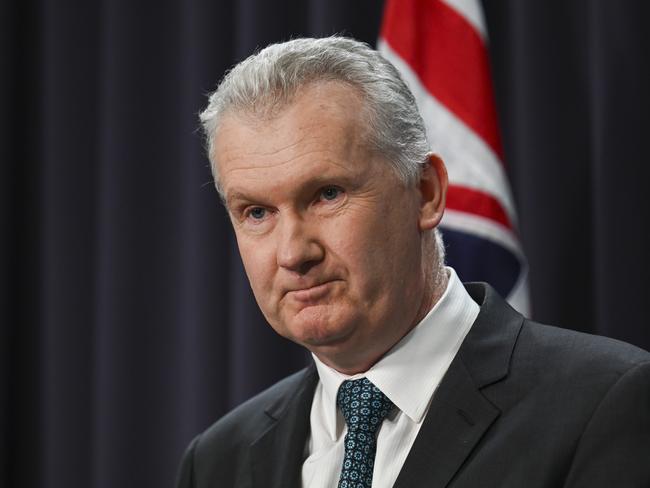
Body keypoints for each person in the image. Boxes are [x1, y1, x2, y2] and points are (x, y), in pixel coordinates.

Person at [176, 37, 650, 488]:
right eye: (257, 212)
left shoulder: (603, 404)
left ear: (426, 193)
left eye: (327, 195)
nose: (293, 253)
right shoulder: (218, 460)